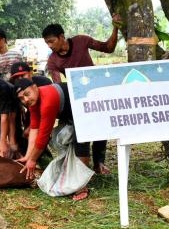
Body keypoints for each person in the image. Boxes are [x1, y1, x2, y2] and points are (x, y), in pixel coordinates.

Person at [42, 17, 122, 174]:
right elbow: (58, 84)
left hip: (96, 92)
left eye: (52, 41)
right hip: (75, 97)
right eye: (47, 43)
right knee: (77, 132)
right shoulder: (53, 60)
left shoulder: (81, 41)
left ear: (61, 37)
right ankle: (75, 166)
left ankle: (99, 163)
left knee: (101, 127)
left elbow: (108, 48)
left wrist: (116, 28)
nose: (50, 46)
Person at [14, 77, 90, 201]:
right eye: (21, 98)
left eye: (27, 94)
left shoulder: (47, 101)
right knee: (59, 139)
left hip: (83, 108)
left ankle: (82, 186)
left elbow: (43, 136)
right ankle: (70, 172)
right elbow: (34, 128)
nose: (25, 100)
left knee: (81, 141)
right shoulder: (33, 101)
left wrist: (33, 160)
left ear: (35, 87)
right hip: (69, 112)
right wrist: (28, 156)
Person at [8, 61, 52, 160]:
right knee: (21, 132)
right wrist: (12, 141)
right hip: (30, 112)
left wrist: (30, 127)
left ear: (30, 73)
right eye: (16, 78)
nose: (20, 79)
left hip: (44, 113)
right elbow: (12, 116)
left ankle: (40, 152)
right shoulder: (12, 88)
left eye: (23, 75)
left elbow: (46, 115)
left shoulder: (44, 83)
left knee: (36, 133)